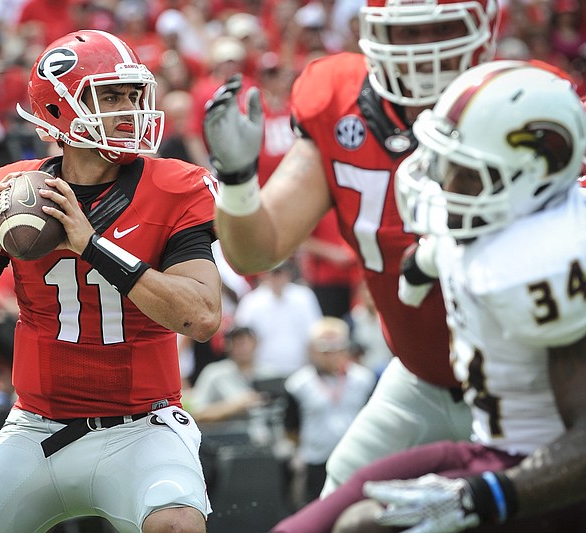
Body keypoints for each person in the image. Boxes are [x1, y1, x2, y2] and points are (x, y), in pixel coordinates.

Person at [0, 30, 222, 533]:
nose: (129, 108)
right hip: (36, 429)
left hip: (144, 427)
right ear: (58, 109)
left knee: (177, 526)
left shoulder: (174, 186)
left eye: (133, 94)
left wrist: (90, 245)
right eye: (110, 95)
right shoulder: (13, 193)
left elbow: (201, 317)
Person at [273, 60, 586, 533]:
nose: (445, 186)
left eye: (466, 171)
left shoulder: (554, 259)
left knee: (363, 525)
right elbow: (437, 254)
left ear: (536, 170)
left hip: (544, 473)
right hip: (487, 444)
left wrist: (488, 495)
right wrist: (423, 266)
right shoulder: (489, 220)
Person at [203, 0, 500, 498]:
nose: (425, 52)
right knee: (333, 509)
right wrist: (237, 179)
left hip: (522, 383)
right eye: (410, 33)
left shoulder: (522, 106)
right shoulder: (338, 99)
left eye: (442, 29)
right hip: (420, 381)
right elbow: (255, 252)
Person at [283, 317, 376, 508]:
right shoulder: (298, 383)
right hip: (316, 461)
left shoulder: (364, 379)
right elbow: (291, 427)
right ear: (312, 350)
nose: (332, 355)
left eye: (337, 348)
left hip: (355, 457)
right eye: (325, 350)